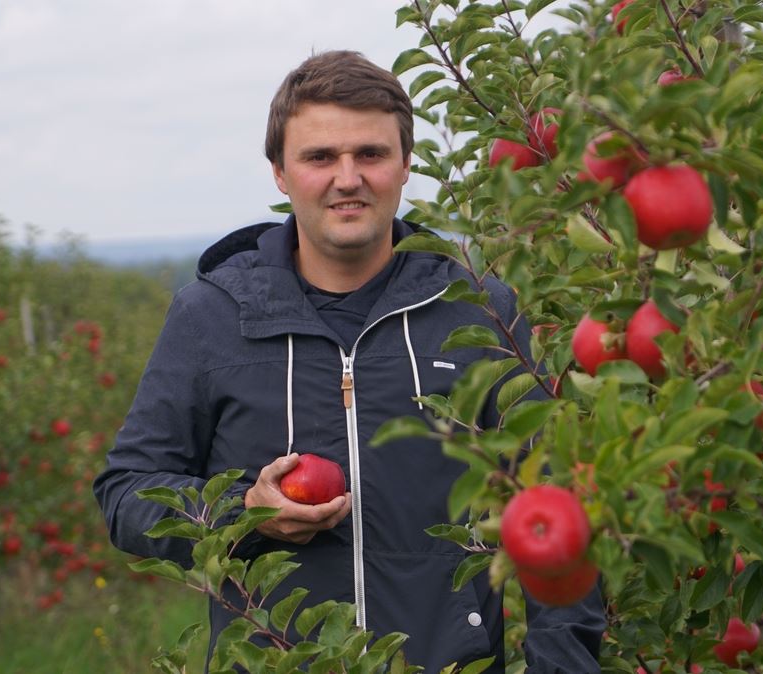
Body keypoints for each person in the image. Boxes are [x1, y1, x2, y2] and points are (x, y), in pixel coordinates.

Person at [93, 50, 604, 672]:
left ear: (405, 164)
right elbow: (126, 493)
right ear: (280, 173)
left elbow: (559, 501)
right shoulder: (212, 318)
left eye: (370, 154)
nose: (347, 177)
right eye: (319, 157)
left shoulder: (477, 310)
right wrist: (242, 514)